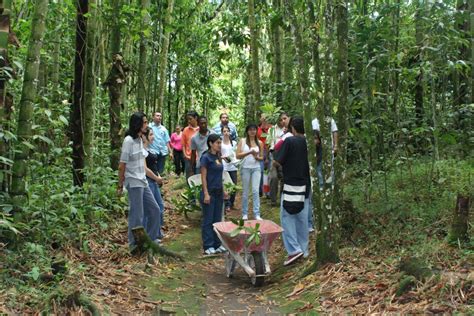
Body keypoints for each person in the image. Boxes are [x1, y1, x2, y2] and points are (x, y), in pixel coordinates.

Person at [117, 112, 161, 249]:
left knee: (155, 210)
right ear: (138, 124)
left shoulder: (140, 140)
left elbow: (143, 164)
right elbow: (122, 165)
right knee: (137, 214)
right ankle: (133, 244)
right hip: (133, 182)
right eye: (145, 122)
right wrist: (120, 185)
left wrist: (155, 177)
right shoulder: (128, 141)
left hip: (143, 181)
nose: (147, 125)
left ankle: (150, 239)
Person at [273, 116, 311, 266]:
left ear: (293, 128)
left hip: (291, 185)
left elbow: (277, 161)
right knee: (302, 218)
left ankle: (294, 250)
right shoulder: (310, 143)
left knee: (287, 217)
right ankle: (304, 249)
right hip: (306, 185)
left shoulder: (289, 141)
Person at [200, 134, 228, 255]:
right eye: (217, 142)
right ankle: (208, 245)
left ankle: (217, 244)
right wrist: (206, 193)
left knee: (217, 219)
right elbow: (203, 177)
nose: (219, 145)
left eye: (220, 143)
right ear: (211, 143)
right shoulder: (205, 158)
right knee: (208, 219)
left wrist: (224, 189)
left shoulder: (218, 156)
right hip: (209, 192)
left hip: (218, 191)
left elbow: (220, 175)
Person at [236, 124, 264, 220]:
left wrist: (257, 157)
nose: (252, 131)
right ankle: (245, 213)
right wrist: (249, 152)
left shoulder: (259, 142)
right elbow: (237, 155)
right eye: (250, 130)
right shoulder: (242, 141)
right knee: (245, 191)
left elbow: (262, 157)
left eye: (254, 130)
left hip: (256, 168)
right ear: (247, 131)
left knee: (256, 191)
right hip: (245, 168)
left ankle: (257, 213)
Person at [142, 127, 165, 236]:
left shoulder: (150, 150)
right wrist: (156, 178)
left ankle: (157, 231)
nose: (153, 137)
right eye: (150, 135)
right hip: (148, 182)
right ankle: (149, 235)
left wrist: (158, 177)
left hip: (154, 181)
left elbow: (154, 166)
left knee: (159, 206)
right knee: (150, 209)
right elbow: (145, 169)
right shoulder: (141, 151)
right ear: (144, 137)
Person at [266, 112, 289, 205]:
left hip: (285, 155)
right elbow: (268, 143)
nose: (282, 121)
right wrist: (267, 157)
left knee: (284, 177)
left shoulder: (289, 130)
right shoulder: (272, 129)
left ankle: (283, 198)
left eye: (284, 119)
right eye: (280, 119)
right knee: (273, 177)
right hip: (273, 154)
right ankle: (273, 200)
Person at [311, 117, 339, 187]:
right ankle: (321, 187)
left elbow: (335, 131)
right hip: (317, 150)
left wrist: (335, 146)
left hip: (329, 149)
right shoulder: (313, 122)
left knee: (330, 170)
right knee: (318, 170)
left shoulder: (330, 120)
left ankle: (331, 187)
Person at [221, 125, 238, 212]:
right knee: (226, 186)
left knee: (233, 185)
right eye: (224, 131)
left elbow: (236, 154)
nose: (226, 133)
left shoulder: (234, 143)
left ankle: (232, 203)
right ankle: (226, 204)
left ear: (230, 132)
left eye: (227, 131)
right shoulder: (220, 143)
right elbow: (218, 154)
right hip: (224, 167)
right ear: (222, 132)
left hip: (233, 166)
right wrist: (223, 157)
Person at [181, 111, 199, 180]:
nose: (189, 121)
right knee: (189, 177)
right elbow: (183, 144)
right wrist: (185, 155)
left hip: (199, 157)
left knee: (199, 176)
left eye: (190, 119)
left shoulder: (201, 129)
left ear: (196, 118)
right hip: (189, 157)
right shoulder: (185, 130)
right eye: (188, 119)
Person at [257, 114, 272, 197]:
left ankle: (268, 192)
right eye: (263, 117)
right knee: (261, 171)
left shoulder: (271, 128)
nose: (264, 118)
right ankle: (260, 190)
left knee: (270, 172)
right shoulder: (257, 130)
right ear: (260, 119)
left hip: (270, 151)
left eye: (266, 117)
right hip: (260, 152)